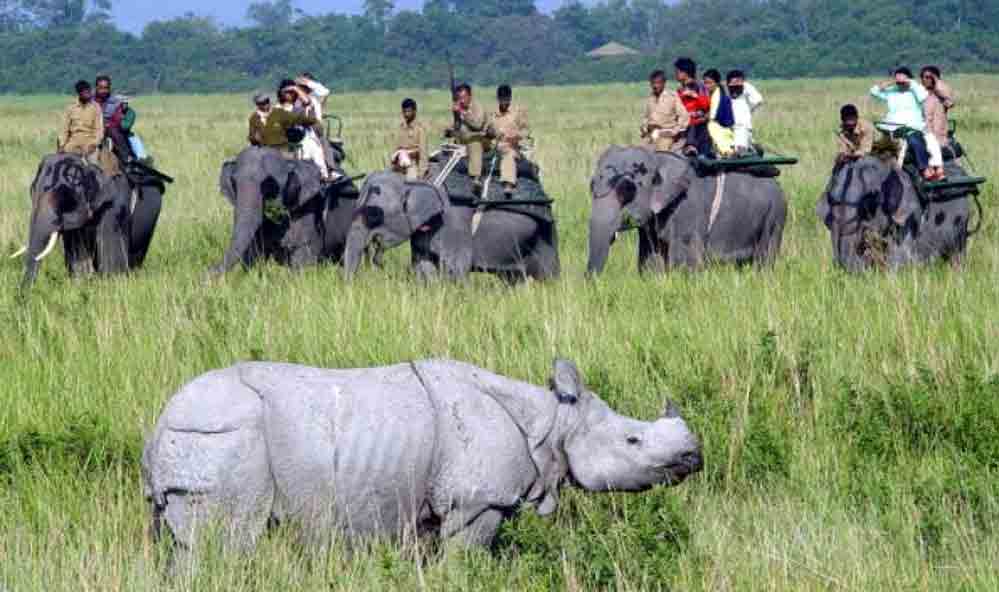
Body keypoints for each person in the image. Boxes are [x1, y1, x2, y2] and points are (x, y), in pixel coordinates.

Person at [870, 67, 943, 180]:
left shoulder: (915, 90)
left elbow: (924, 96)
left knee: (915, 141)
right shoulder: (892, 91)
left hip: (912, 127)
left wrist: (909, 82)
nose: (900, 83)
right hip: (892, 128)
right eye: (898, 80)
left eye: (902, 80)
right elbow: (874, 91)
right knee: (875, 147)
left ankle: (924, 169)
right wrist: (893, 81)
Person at [489, 85, 530, 197]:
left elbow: (526, 131)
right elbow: (485, 128)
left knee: (508, 154)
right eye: (501, 99)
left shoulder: (518, 112)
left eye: (506, 99)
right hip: (494, 145)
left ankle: (508, 184)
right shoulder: (492, 113)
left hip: (510, 146)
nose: (504, 102)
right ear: (498, 98)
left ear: (510, 98)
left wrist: (516, 135)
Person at [247, 92, 319, 155]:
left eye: (266, 101)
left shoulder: (279, 113)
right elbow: (252, 136)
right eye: (262, 103)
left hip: (282, 149)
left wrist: (312, 120)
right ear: (257, 104)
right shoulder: (254, 118)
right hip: (264, 151)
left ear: (269, 101)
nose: (265, 104)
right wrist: (254, 138)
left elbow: (296, 118)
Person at [450, 83, 489, 194]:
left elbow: (477, 125)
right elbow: (456, 127)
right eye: (459, 98)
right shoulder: (459, 108)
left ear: (470, 96)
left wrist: (463, 113)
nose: (461, 101)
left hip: (481, 139)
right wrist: (455, 117)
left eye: (464, 97)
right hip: (464, 139)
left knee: (474, 143)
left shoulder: (478, 107)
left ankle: (476, 178)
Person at [640, 70, 689, 153]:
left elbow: (684, 116)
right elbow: (646, 117)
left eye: (658, 83)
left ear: (664, 83)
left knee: (661, 153)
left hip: (665, 134)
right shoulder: (650, 98)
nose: (655, 86)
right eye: (653, 83)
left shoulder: (672, 97)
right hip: (650, 134)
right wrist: (644, 128)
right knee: (638, 153)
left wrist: (675, 131)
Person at [58, 80, 104, 160]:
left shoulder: (96, 107)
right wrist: (62, 145)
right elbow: (64, 129)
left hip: (89, 143)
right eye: (85, 92)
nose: (88, 94)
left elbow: (99, 130)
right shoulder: (71, 108)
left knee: (93, 165)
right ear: (79, 93)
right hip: (73, 143)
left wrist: (94, 144)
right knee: (60, 164)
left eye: (89, 91)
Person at [920, 65, 956, 158]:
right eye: (923, 77)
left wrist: (936, 81)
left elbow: (950, 102)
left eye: (928, 77)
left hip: (939, 137)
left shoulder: (941, 95)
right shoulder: (920, 94)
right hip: (922, 136)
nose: (925, 80)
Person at [94, 74, 130, 161]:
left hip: (108, 127)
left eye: (106, 88)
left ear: (109, 88)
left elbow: (117, 118)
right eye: (101, 88)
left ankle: (125, 159)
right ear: (96, 87)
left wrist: (107, 124)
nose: (103, 90)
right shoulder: (89, 100)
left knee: (116, 134)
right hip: (91, 126)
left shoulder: (116, 102)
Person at [726, 70, 763, 155]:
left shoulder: (744, 99)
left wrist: (744, 85)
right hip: (729, 131)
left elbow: (758, 100)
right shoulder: (726, 98)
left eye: (738, 84)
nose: (735, 87)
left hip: (743, 130)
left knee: (740, 145)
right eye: (733, 84)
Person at [392, 98, 428, 181]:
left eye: (409, 111)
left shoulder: (420, 129)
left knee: (410, 184)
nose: (406, 114)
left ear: (414, 111)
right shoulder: (401, 128)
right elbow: (396, 147)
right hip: (399, 164)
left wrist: (421, 173)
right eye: (404, 112)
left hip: (412, 164)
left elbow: (423, 153)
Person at [703, 69, 735, 158]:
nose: (707, 86)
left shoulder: (718, 96)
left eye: (710, 83)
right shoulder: (713, 94)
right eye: (705, 83)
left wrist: (703, 117)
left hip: (721, 124)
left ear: (716, 83)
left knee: (712, 127)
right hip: (722, 123)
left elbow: (712, 116)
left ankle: (726, 151)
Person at [679, 81, 711, 156]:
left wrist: (696, 96)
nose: (687, 92)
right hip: (686, 122)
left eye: (689, 90)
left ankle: (694, 147)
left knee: (696, 127)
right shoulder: (683, 99)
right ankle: (690, 145)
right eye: (686, 90)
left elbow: (706, 104)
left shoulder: (697, 99)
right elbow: (677, 103)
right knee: (691, 126)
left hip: (696, 122)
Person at [118, 95, 150, 164]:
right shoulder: (115, 110)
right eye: (122, 103)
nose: (124, 105)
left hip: (124, 133)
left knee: (135, 139)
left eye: (126, 103)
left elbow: (125, 126)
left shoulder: (131, 113)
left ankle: (141, 158)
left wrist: (119, 120)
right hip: (110, 132)